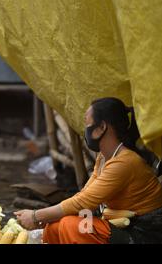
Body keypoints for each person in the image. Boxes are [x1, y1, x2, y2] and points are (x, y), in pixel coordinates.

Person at [15, 97, 162, 243]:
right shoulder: (103, 157)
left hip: (142, 233)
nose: (85, 129)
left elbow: (83, 202)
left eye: (87, 123)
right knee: (54, 226)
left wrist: (35, 216)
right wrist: (47, 217)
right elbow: (85, 195)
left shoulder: (125, 162)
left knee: (71, 226)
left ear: (101, 128)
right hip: (121, 224)